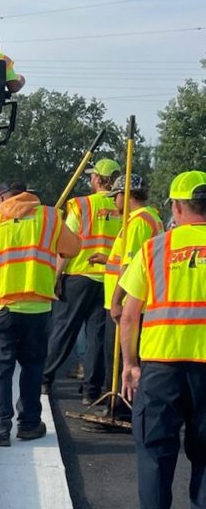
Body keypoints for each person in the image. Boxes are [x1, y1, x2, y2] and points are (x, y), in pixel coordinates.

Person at [118, 170, 206, 509]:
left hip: (160, 369)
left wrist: (130, 365)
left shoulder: (155, 248)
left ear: (175, 206)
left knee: (155, 455)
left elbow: (129, 315)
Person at [0, 180, 81, 446]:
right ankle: (29, 425)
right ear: (29, 196)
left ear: (0, 199)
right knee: (32, 367)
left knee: (0, 368)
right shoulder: (50, 217)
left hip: (0, 306)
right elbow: (73, 248)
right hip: (37, 307)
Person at [41, 158, 122, 403]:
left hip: (78, 275)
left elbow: (68, 244)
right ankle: (91, 391)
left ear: (98, 179)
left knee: (64, 331)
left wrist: (56, 276)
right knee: (97, 338)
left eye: (92, 176)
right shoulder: (123, 208)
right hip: (108, 279)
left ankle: (45, 379)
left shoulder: (81, 205)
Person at [88, 173, 162, 419]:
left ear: (125, 195)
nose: (113, 202)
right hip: (129, 302)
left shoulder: (139, 222)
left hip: (127, 303)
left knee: (119, 360)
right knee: (118, 357)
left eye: (115, 196)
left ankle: (120, 409)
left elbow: (130, 265)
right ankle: (120, 407)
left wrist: (118, 300)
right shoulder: (145, 219)